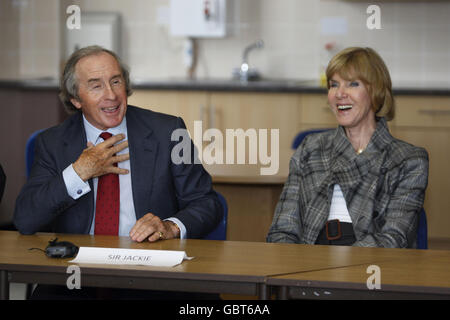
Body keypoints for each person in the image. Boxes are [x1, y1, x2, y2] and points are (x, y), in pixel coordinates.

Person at [13, 46, 222, 299]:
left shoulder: (168, 131)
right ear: (76, 99)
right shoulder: (53, 143)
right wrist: (79, 171)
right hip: (77, 275)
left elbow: (207, 203)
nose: (111, 95)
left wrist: (170, 226)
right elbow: (25, 219)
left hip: (153, 273)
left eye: (115, 81)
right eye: (96, 85)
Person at [267, 47, 429, 248]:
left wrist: (336, 270)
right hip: (306, 265)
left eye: (353, 84)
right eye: (334, 85)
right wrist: (294, 268)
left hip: (367, 270)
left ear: (376, 92)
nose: (339, 94)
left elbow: (392, 240)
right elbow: (282, 230)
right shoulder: (310, 148)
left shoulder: (408, 160)